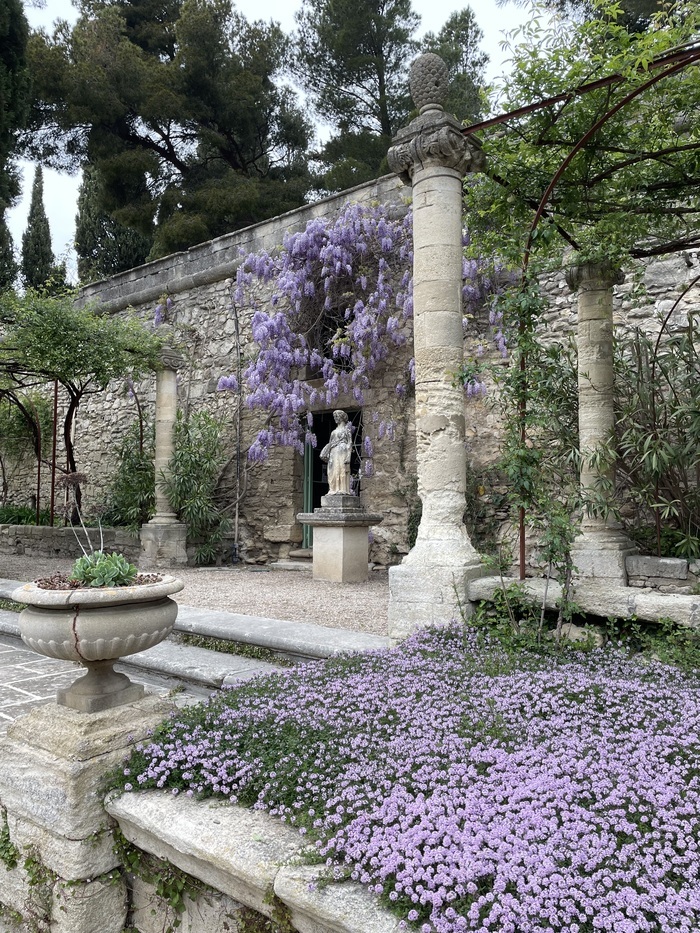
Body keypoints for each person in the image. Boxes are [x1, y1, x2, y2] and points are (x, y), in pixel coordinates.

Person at [320, 410, 353, 495]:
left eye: (337, 416)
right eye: (334, 417)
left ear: (341, 417)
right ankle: (333, 489)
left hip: (343, 452)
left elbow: (350, 444)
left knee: (342, 470)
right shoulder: (333, 432)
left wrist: (348, 456)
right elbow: (330, 443)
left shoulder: (347, 431)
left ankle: (343, 489)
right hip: (333, 453)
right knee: (332, 471)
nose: (335, 419)